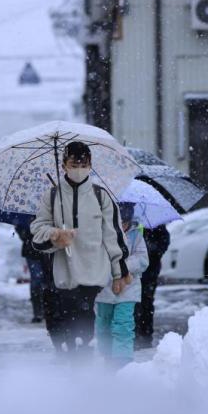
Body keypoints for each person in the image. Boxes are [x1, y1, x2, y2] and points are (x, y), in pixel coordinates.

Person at [31, 141, 132, 356]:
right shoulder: (51, 196)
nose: (79, 168)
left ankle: (81, 358)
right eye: (73, 163)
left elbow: (113, 235)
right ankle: (69, 353)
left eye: (83, 164)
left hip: (93, 272)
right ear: (64, 166)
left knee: (83, 319)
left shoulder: (101, 196)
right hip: (63, 274)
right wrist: (55, 236)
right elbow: (37, 233)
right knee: (63, 320)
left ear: (90, 165)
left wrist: (119, 273)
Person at [95, 203, 149, 368]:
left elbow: (143, 260)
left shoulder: (135, 236)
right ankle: (107, 356)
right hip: (104, 288)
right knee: (103, 325)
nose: (123, 226)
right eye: (119, 222)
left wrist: (123, 266)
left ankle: (122, 360)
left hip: (128, 289)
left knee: (123, 325)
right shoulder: (100, 234)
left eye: (126, 222)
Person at [134, 224, 171, 349]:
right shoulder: (129, 222)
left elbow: (164, 240)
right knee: (131, 304)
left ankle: (145, 335)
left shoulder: (154, 224)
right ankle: (134, 334)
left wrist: (152, 248)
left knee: (146, 302)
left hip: (149, 271)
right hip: (132, 271)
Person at [15, 221, 46, 323]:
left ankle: (46, 308)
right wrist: (27, 234)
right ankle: (38, 311)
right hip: (32, 250)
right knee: (37, 279)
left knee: (46, 280)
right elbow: (20, 228)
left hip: (47, 250)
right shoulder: (26, 214)